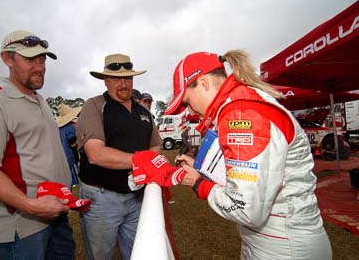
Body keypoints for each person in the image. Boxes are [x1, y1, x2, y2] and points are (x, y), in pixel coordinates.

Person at [136, 50, 332, 259]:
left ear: (203, 83)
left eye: (187, 102)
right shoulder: (240, 104)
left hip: (284, 247)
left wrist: (197, 183)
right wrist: (201, 171)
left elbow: (246, 209)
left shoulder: (241, 113)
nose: (190, 111)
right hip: (275, 239)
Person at [0, 30, 75, 260]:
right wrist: (32, 206)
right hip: (23, 228)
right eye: (29, 59)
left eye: (42, 60)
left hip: (56, 216)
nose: (39, 67)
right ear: (7, 59)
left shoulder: (40, 100)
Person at [76, 53, 162, 260]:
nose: (123, 84)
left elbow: (156, 144)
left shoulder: (143, 110)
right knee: (101, 256)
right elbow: (96, 154)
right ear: (106, 80)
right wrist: (142, 162)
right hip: (102, 198)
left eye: (128, 78)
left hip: (137, 196)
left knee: (138, 253)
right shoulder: (94, 106)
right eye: (116, 78)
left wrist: (148, 163)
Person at [56, 103, 82, 187]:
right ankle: (75, 184)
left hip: (63, 154)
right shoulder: (70, 127)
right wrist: (81, 138)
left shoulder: (59, 128)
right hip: (71, 155)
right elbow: (73, 144)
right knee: (75, 172)